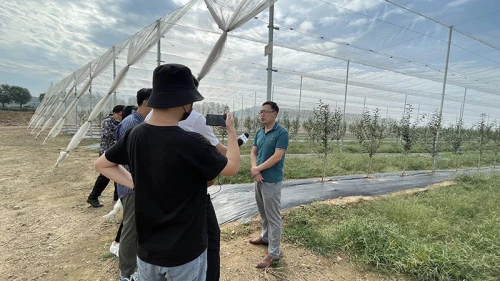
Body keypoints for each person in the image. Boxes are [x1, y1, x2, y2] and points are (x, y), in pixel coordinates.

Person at [95, 63, 240, 281]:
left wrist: (137, 183)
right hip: (185, 253)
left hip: (147, 252)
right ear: (183, 102)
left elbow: (102, 165)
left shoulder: (135, 134)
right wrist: (232, 131)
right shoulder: (191, 141)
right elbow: (232, 168)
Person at [114, 88, 152, 281]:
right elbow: (124, 157)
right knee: (131, 228)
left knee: (137, 225)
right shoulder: (131, 124)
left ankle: (134, 265)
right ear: (146, 101)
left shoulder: (140, 122)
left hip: (138, 183)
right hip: (131, 184)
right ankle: (126, 273)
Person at [249, 101, 289, 268]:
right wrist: (254, 169)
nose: (262, 114)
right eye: (261, 112)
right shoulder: (259, 132)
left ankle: (273, 254)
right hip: (259, 178)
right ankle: (265, 238)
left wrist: (258, 168)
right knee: (263, 212)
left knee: (273, 217)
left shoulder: (281, 132)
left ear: (275, 114)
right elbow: (253, 152)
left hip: (271, 180)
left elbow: (277, 156)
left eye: (266, 111)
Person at [86, 104, 125, 207]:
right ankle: (93, 197)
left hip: (115, 152)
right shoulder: (108, 121)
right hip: (107, 152)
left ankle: (117, 197)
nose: (122, 117)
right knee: (105, 176)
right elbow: (107, 135)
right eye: (121, 115)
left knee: (119, 174)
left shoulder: (119, 122)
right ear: (115, 113)